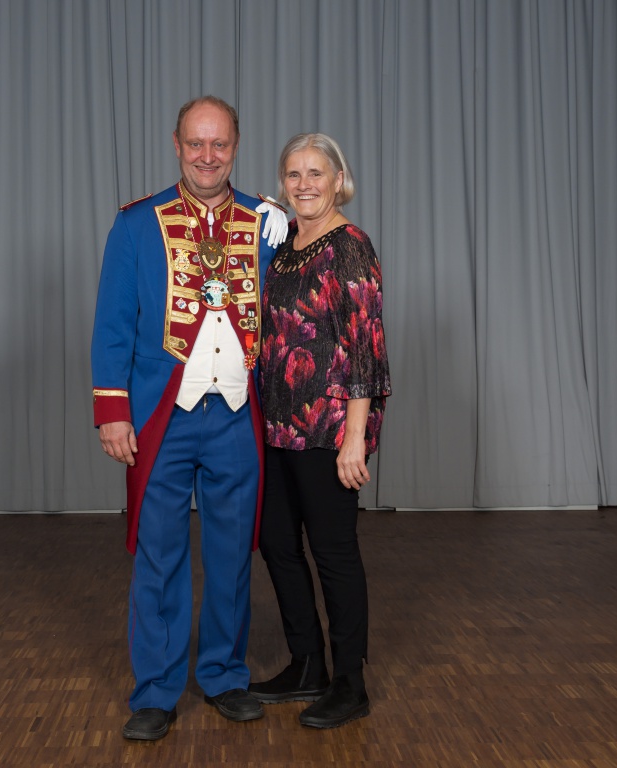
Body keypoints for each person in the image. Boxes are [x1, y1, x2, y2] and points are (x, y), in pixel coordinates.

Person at [91, 96, 287, 741]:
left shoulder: (265, 222)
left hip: (236, 416)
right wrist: (112, 411)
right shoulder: (136, 224)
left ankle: (225, 675)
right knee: (159, 554)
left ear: (236, 146)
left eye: (219, 144)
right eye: (196, 143)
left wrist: (291, 225)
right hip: (161, 416)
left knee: (232, 554)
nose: (208, 156)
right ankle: (155, 690)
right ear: (177, 144)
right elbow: (113, 324)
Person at [249, 133, 391, 729]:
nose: (304, 184)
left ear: (338, 179)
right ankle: (307, 663)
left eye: (315, 173)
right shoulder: (283, 245)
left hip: (329, 427)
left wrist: (355, 436)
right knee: (277, 544)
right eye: (293, 174)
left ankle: (350, 682)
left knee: (333, 552)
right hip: (275, 424)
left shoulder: (349, 245)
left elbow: (366, 348)